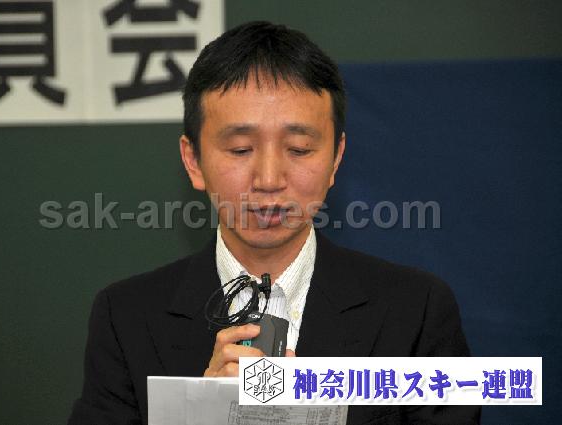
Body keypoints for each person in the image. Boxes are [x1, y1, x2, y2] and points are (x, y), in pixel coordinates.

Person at [68, 21, 480, 425]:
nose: (268, 179)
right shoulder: (127, 317)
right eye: (240, 149)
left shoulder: (416, 309)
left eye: (298, 149)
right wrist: (202, 414)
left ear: (336, 159)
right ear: (193, 161)